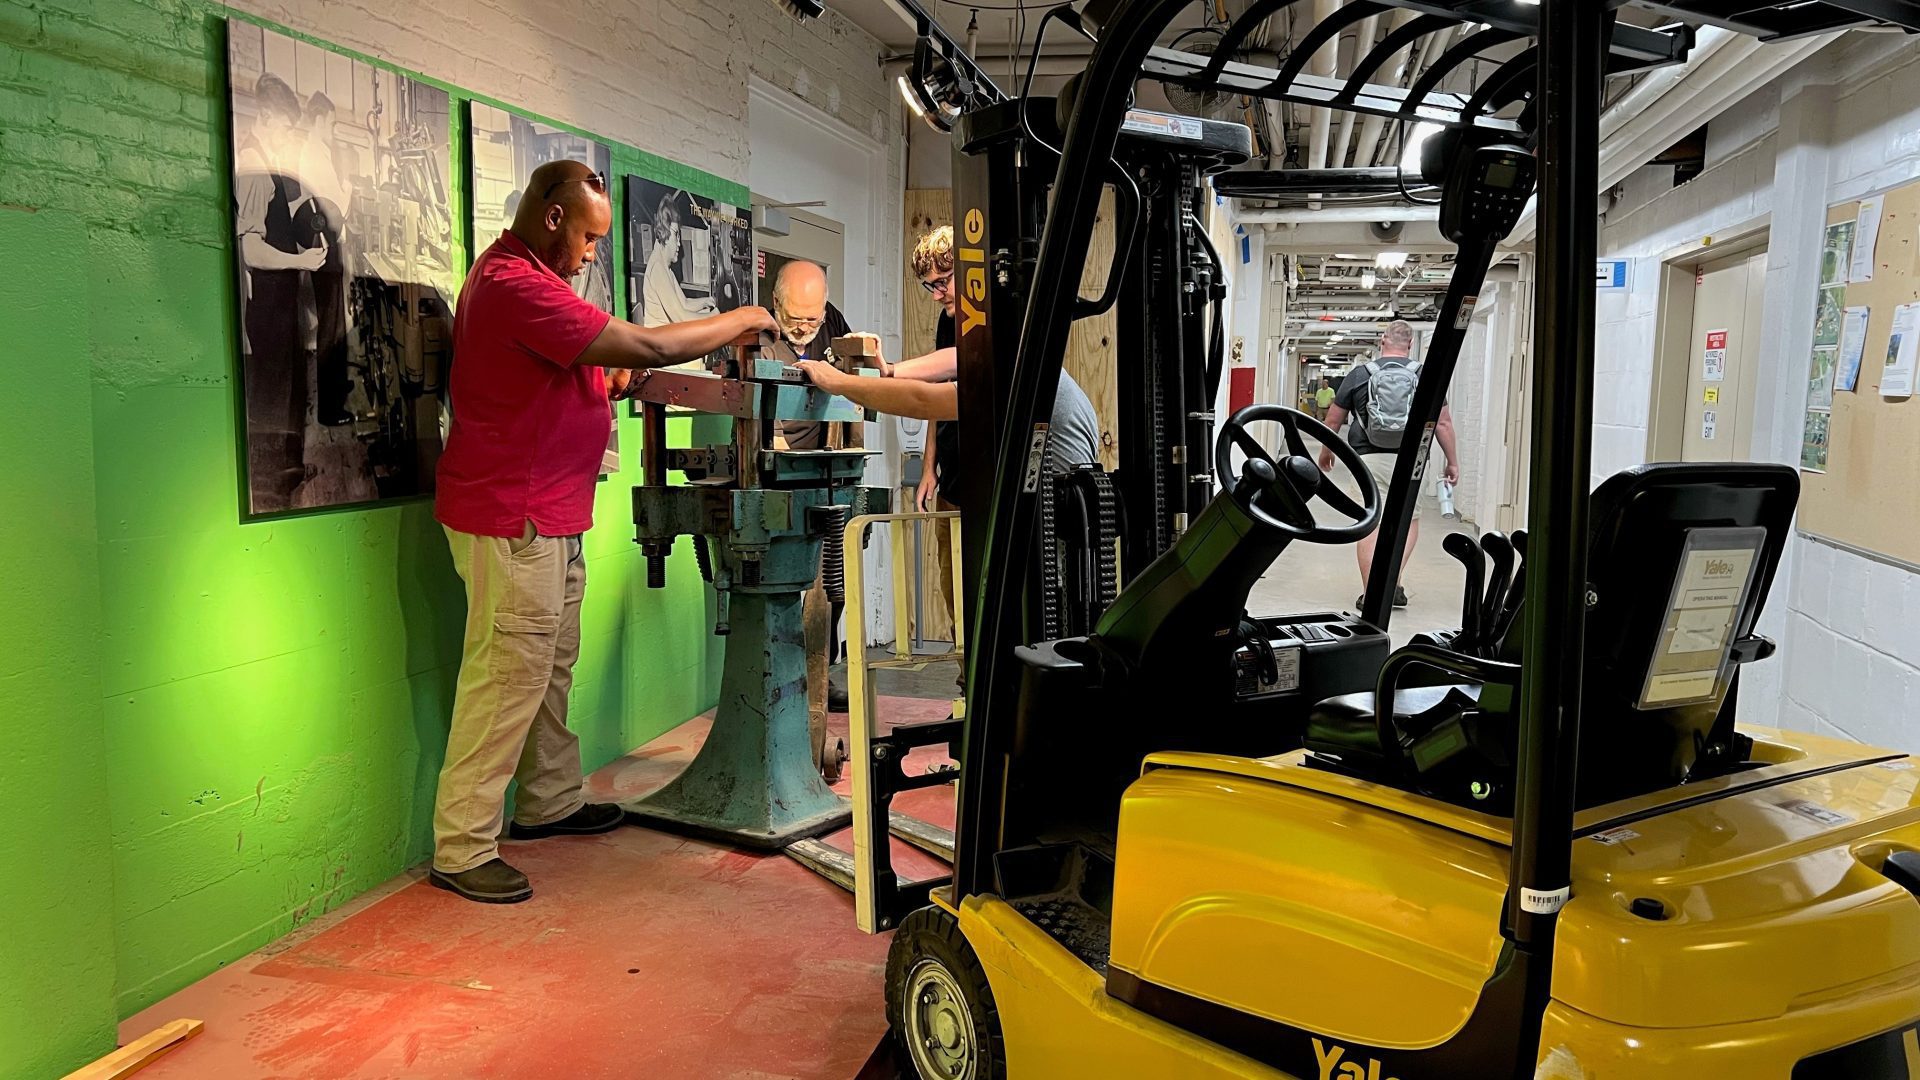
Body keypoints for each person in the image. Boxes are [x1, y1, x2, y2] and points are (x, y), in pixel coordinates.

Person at [431, 160, 777, 904]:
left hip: (550, 511)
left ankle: (549, 799)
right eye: (589, 238)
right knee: (506, 676)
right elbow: (648, 349)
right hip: (512, 513)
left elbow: (558, 372)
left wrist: (600, 379)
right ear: (553, 218)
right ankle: (461, 846)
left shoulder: (536, 282)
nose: (593, 254)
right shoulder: (513, 284)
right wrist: (742, 320)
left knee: (549, 665)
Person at [794, 226, 1102, 617]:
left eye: (943, 282)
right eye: (930, 287)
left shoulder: (1010, 329)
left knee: (1031, 612)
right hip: (1011, 487)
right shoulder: (976, 327)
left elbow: (927, 399)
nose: (938, 294)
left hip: (1052, 499)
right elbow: (951, 363)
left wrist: (840, 383)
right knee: (970, 602)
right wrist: (889, 372)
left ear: (976, 276)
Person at [760, 260, 860, 725]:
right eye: (795, 319)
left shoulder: (831, 320)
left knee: (833, 587)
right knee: (780, 586)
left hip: (824, 469)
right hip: (773, 470)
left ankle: (821, 671)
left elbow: (854, 377)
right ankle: (778, 675)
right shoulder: (758, 328)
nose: (804, 329)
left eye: (812, 320)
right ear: (777, 303)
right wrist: (777, 454)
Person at [1315, 320, 1458, 608]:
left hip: (1366, 459)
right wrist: (1452, 462)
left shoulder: (1359, 375)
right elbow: (1442, 423)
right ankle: (1394, 582)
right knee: (1409, 521)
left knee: (1370, 524)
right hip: (1413, 459)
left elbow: (1333, 420)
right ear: (1409, 344)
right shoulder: (1425, 375)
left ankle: (1372, 593)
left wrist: (1326, 452)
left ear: (1382, 341)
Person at [235, 73, 328, 510]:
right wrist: (300, 261)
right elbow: (251, 247)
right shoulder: (252, 165)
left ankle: (286, 476)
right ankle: (269, 492)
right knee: (272, 395)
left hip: (280, 302)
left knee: (288, 389)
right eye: (287, 127)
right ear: (268, 117)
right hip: (268, 305)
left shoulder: (267, 165)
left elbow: (271, 219)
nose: (289, 137)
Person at [640, 197, 717, 328]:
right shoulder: (658, 268)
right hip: (660, 343)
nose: (679, 244)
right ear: (664, 231)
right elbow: (681, 318)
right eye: (676, 235)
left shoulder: (665, 268)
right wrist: (712, 317)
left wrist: (706, 302)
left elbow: (684, 303)